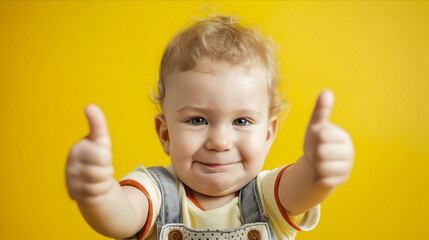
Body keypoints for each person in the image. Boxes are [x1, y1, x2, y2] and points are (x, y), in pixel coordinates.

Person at [66, 14, 354, 240]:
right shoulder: (154, 191)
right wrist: (97, 192)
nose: (219, 141)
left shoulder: (269, 196)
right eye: (198, 120)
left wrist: (319, 170)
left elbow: (304, 186)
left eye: (241, 121)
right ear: (166, 134)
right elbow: (121, 217)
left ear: (268, 135)